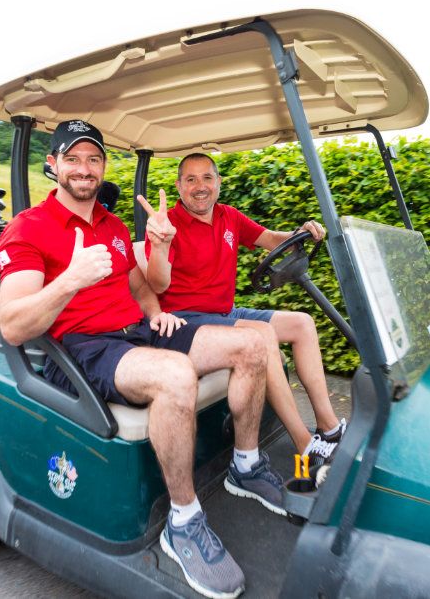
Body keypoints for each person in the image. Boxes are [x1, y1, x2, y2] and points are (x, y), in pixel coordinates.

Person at [0, 121, 282, 599]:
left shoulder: (110, 226)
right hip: (85, 348)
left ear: (103, 166)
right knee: (176, 375)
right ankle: (183, 522)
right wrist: (70, 280)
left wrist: (154, 312)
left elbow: (140, 284)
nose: (84, 169)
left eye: (93, 159)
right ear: (53, 165)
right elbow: (12, 323)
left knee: (253, 344)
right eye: (73, 159)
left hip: (137, 332)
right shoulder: (29, 228)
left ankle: (245, 465)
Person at [139, 153, 346, 467]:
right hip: (186, 321)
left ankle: (328, 428)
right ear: (179, 186)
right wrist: (160, 244)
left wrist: (299, 234)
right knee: (261, 335)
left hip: (225, 313)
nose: (200, 186)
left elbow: (270, 239)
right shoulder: (167, 226)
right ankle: (304, 444)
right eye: (191, 179)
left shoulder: (229, 216)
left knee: (302, 323)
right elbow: (157, 283)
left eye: (207, 178)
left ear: (219, 182)